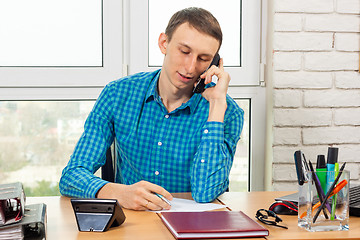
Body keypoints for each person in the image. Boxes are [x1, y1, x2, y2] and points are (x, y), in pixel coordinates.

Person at [59, 7, 244, 211]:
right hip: (133, 223)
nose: (191, 67)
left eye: (203, 59)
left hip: (191, 227)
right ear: (164, 43)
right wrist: (118, 193)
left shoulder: (228, 112)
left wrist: (217, 106)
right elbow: (72, 175)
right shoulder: (117, 94)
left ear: (214, 63)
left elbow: (205, 193)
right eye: (184, 51)